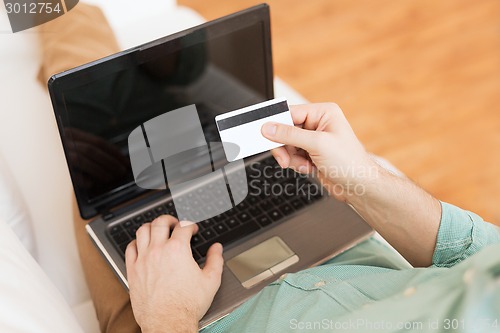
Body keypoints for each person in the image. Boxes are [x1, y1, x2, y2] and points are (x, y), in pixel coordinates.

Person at [37, 4, 500, 333]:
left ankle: (64, 20)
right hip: (335, 251)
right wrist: (361, 178)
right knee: (178, 127)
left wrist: (167, 318)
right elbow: (468, 249)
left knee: (100, 166)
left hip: (186, 316)